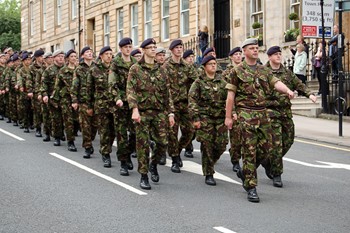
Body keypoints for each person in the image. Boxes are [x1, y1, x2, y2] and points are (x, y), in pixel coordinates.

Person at [225, 38, 294, 203]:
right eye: (252, 48)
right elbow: (230, 96)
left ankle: (244, 172)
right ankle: (251, 187)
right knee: (249, 151)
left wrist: (288, 91)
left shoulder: (264, 70)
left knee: (266, 149)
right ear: (245, 52)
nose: (256, 50)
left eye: (257, 48)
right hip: (245, 115)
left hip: (263, 115)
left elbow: (276, 82)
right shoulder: (237, 71)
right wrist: (228, 116)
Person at [127, 38, 175, 190]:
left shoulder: (161, 69)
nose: (154, 49)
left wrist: (171, 113)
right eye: (151, 47)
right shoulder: (135, 69)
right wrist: (134, 109)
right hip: (142, 112)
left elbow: (167, 92)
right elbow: (131, 90)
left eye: (155, 47)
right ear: (143, 50)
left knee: (163, 143)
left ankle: (153, 164)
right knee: (142, 145)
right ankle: (144, 175)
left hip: (159, 112)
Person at [265, 46, 317, 188]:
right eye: (275, 54)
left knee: (288, 140)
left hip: (285, 112)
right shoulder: (263, 73)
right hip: (270, 112)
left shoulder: (287, 73)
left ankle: (269, 161)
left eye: (280, 54)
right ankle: (276, 174)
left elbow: (299, 85)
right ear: (269, 57)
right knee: (276, 144)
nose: (278, 56)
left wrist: (310, 94)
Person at [188, 55, 228, 186]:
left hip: (221, 117)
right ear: (204, 67)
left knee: (222, 144)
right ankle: (209, 173)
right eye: (210, 64)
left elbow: (229, 99)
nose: (213, 65)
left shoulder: (222, 82)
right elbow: (192, 101)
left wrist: (231, 114)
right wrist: (196, 118)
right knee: (207, 145)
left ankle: (211, 163)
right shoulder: (198, 83)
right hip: (206, 118)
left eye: (214, 63)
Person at [163, 39, 197, 173]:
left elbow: (196, 82)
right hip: (171, 105)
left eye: (180, 47)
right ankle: (175, 159)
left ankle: (176, 150)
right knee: (172, 133)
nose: (179, 49)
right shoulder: (165, 67)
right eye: (176, 47)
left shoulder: (187, 66)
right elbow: (163, 87)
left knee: (189, 131)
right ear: (171, 50)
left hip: (184, 104)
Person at [87, 46, 120, 168]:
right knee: (104, 131)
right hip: (101, 106)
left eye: (111, 54)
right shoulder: (94, 70)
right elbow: (89, 90)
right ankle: (106, 154)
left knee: (113, 131)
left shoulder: (115, 68)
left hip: (114, 105)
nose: (109, 56)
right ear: (101, 56)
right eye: (106, 54)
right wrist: (89, 106)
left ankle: (107, 148)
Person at [109, 37, 137, 176]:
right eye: (125, 47)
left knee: (134, 132)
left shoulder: (135, 63)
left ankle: (129, 153)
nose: (128, 49)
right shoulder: (115, 63)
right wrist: (117, 98)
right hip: (120, 103)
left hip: (133, 103)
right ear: (121, 49)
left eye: (130, 46)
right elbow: (112, 83)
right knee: (121, 134)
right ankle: (123, 162)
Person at [71, 46, 98, 159]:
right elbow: (74, 86)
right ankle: (87, 147)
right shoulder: (79, 69)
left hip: (97, 101)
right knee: (85, 126)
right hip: (83, 101)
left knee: (95, 125)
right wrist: (74, 100)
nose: (89, 53)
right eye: (87, 52)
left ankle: (90, 140)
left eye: (91, 52)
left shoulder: (97, 67)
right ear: (82, 55)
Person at [51, 49, 78, 152]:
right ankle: (70, 142)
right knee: (68, 120)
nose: (74, 58)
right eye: (71, 56)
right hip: (66, 99)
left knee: (76, 121)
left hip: (77, 98)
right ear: (68, 59)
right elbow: (57, 86)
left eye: (75, 56)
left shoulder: (78, 69)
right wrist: (54, 100)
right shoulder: (63, 71)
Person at [222, 47, 242, 172]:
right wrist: (232, 112)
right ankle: (235, 160)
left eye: (240, 54)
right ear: (231, 57)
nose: (238, 56)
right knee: (235, 138)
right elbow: (228, 95)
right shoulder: (226, 74)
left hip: (247, 108)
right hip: (234, 107)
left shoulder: (247, 70)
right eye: (236, 54)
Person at [41, 50, 65, 146]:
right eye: (59, 56)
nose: (61, 58)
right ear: (54, 58)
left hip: (65, 97)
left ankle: (63, 133)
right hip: (53, 97)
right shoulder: (49, 70)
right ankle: (57, 137)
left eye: (62, 56)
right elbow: (44, 84)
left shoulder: (67, 69)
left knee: (66, 118)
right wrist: (44, 95)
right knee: (56, 118)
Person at [28, 49, 45, 137]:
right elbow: (29, 80)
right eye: (41, 56)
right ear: (36, 58)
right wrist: (30, 91)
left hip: (45, 90)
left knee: (45, 111)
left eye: (43, 56)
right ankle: (38, 128)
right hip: (36, 91)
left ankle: (47, 129)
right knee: (37, 110)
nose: (42, 58)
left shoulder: (45, 66)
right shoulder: (32, 67)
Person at [17, 53, 33, 133]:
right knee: (25, 108)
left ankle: (31, 123)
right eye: (26, 60)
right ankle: (26, 125)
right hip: (24, 91)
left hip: (32, 91)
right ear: (23, 61)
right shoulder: (21, 70)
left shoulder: (32, 69)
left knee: (32, 108)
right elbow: (19, 79)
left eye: (29, 60)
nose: (28, 61)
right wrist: (20, 86)